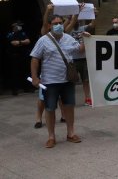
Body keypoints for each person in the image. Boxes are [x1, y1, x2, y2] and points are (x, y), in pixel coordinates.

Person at [30, 15, 88, 148]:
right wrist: (34, 77)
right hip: (49, 82)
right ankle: (51, 137)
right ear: (49, 25)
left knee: (69, 107)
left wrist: (86, 39)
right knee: (50, 108)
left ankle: (71, 133)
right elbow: (34, 59)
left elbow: (79, 49)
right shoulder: (43, 40)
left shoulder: (68, 38)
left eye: (61, 23)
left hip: (67, 80)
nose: (59, 25)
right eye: (55, 23)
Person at [67, 9, 97, 106]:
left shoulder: (83, 28)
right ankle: (70, 99)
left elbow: (92, 25)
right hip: (73, 59)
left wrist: (94, 15)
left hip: (84, 58)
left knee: (86, 80)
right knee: (72, 80)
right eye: (74, 19)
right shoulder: (68, 30)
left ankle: (87, 98)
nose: (76, 21)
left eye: (77, 19)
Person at [6, 21, 31, 95]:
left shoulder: (22, 33)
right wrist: (23, 42)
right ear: (14, 27)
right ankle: (15, 90)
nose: (20, 27)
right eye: (18, 26)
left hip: (23, 55)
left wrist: (19, 42)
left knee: (26, 71)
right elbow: (13, 43)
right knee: (15, 73)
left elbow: (28, 41)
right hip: (14, 56)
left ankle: (27, 88)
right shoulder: (10, 34)